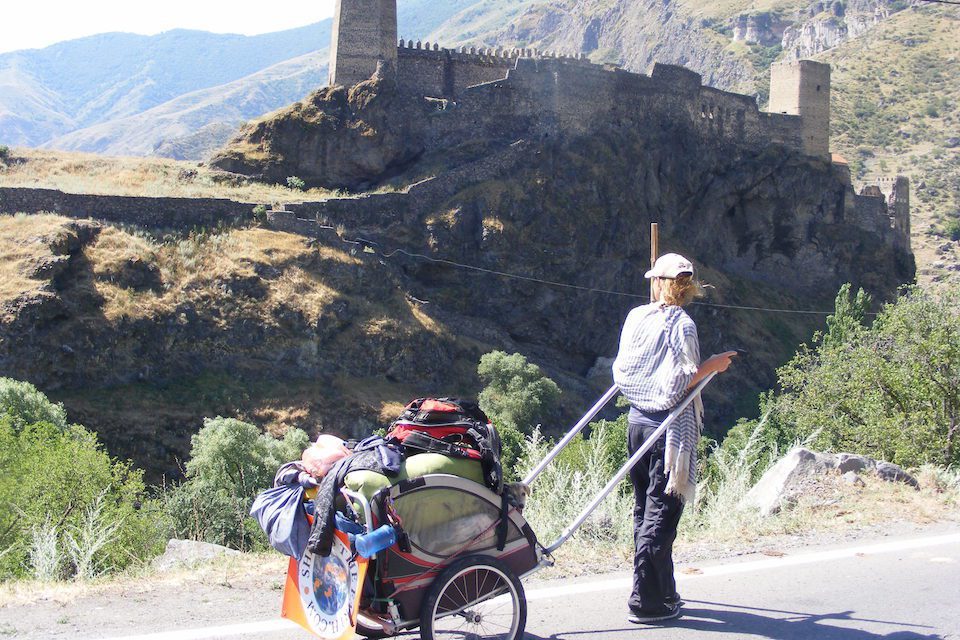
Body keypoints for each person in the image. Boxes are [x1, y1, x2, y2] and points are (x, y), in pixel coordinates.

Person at [612, 253, 736, 624]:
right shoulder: (682, 325)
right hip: (668, 432)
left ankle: (663, 592)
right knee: (661, 517)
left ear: (659, 283)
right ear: (686, 287)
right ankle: (645, 601)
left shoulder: (637, 317)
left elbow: (624, 370)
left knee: (644, 511)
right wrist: (712, 366)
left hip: (637, 423)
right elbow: (681, 383)